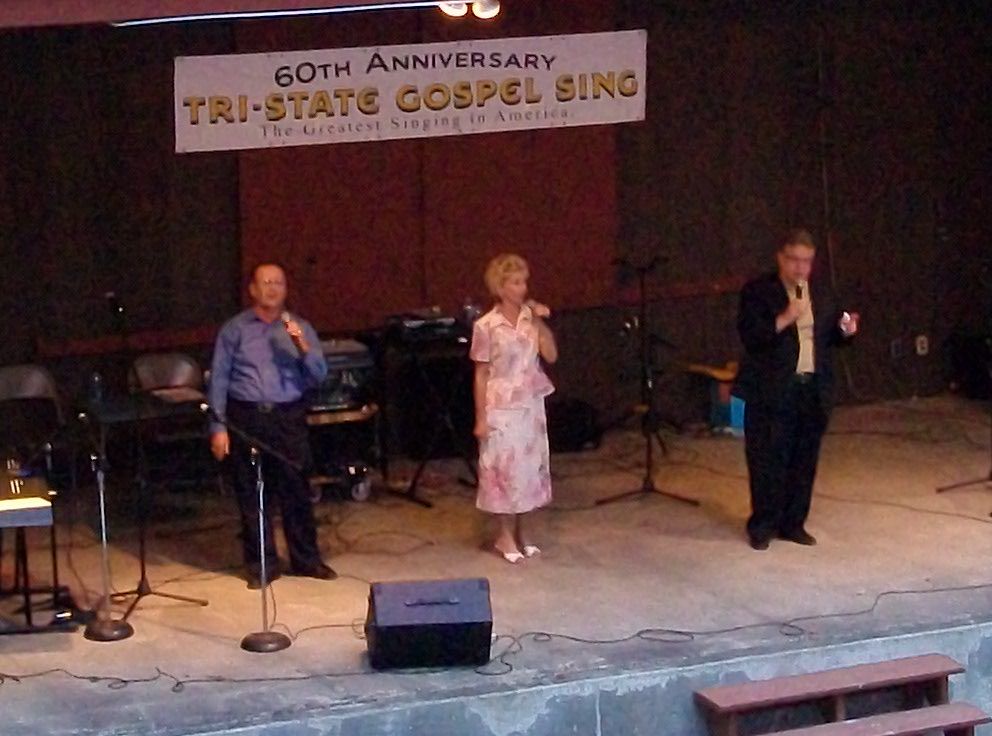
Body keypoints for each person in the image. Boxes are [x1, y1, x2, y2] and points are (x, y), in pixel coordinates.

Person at [208, 262, 335, 587]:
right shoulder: (235, 330)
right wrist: (218, 427)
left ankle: (306, 560)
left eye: (278, 282)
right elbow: (219, 379)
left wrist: (301, 346)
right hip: (246, 416)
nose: (273, 288)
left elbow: (319, 375)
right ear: (253, 289)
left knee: (296, 489)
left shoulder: (299, 327)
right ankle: (261, 565)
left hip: (287, 416)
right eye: (266, 282)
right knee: (252, 492)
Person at [734, 229, 859, 550]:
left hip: (812, 388)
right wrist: (786, 316)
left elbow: (831, 337)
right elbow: (752, 336)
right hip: (772, 389)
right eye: (794, 260)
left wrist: (846, 330)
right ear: (780, 257)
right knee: (767, 460)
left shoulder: (822, 291)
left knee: (804, 460)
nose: (801, 268)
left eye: (807, 261)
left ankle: (793, 523)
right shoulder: (759, 291)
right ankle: (763, 525)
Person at [470, 254, 558, 564]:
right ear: (501, 287)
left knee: (528, 469)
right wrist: (481, 418)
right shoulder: (486, 326)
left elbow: (551, 355)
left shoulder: (529, 320)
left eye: (524, 282)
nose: (523, 288)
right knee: (503, 470)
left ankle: (524, 531)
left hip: (530, 403)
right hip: (501, 404)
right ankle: (504, 534)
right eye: (516, 282)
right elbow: (481, 373)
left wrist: (539, 321)